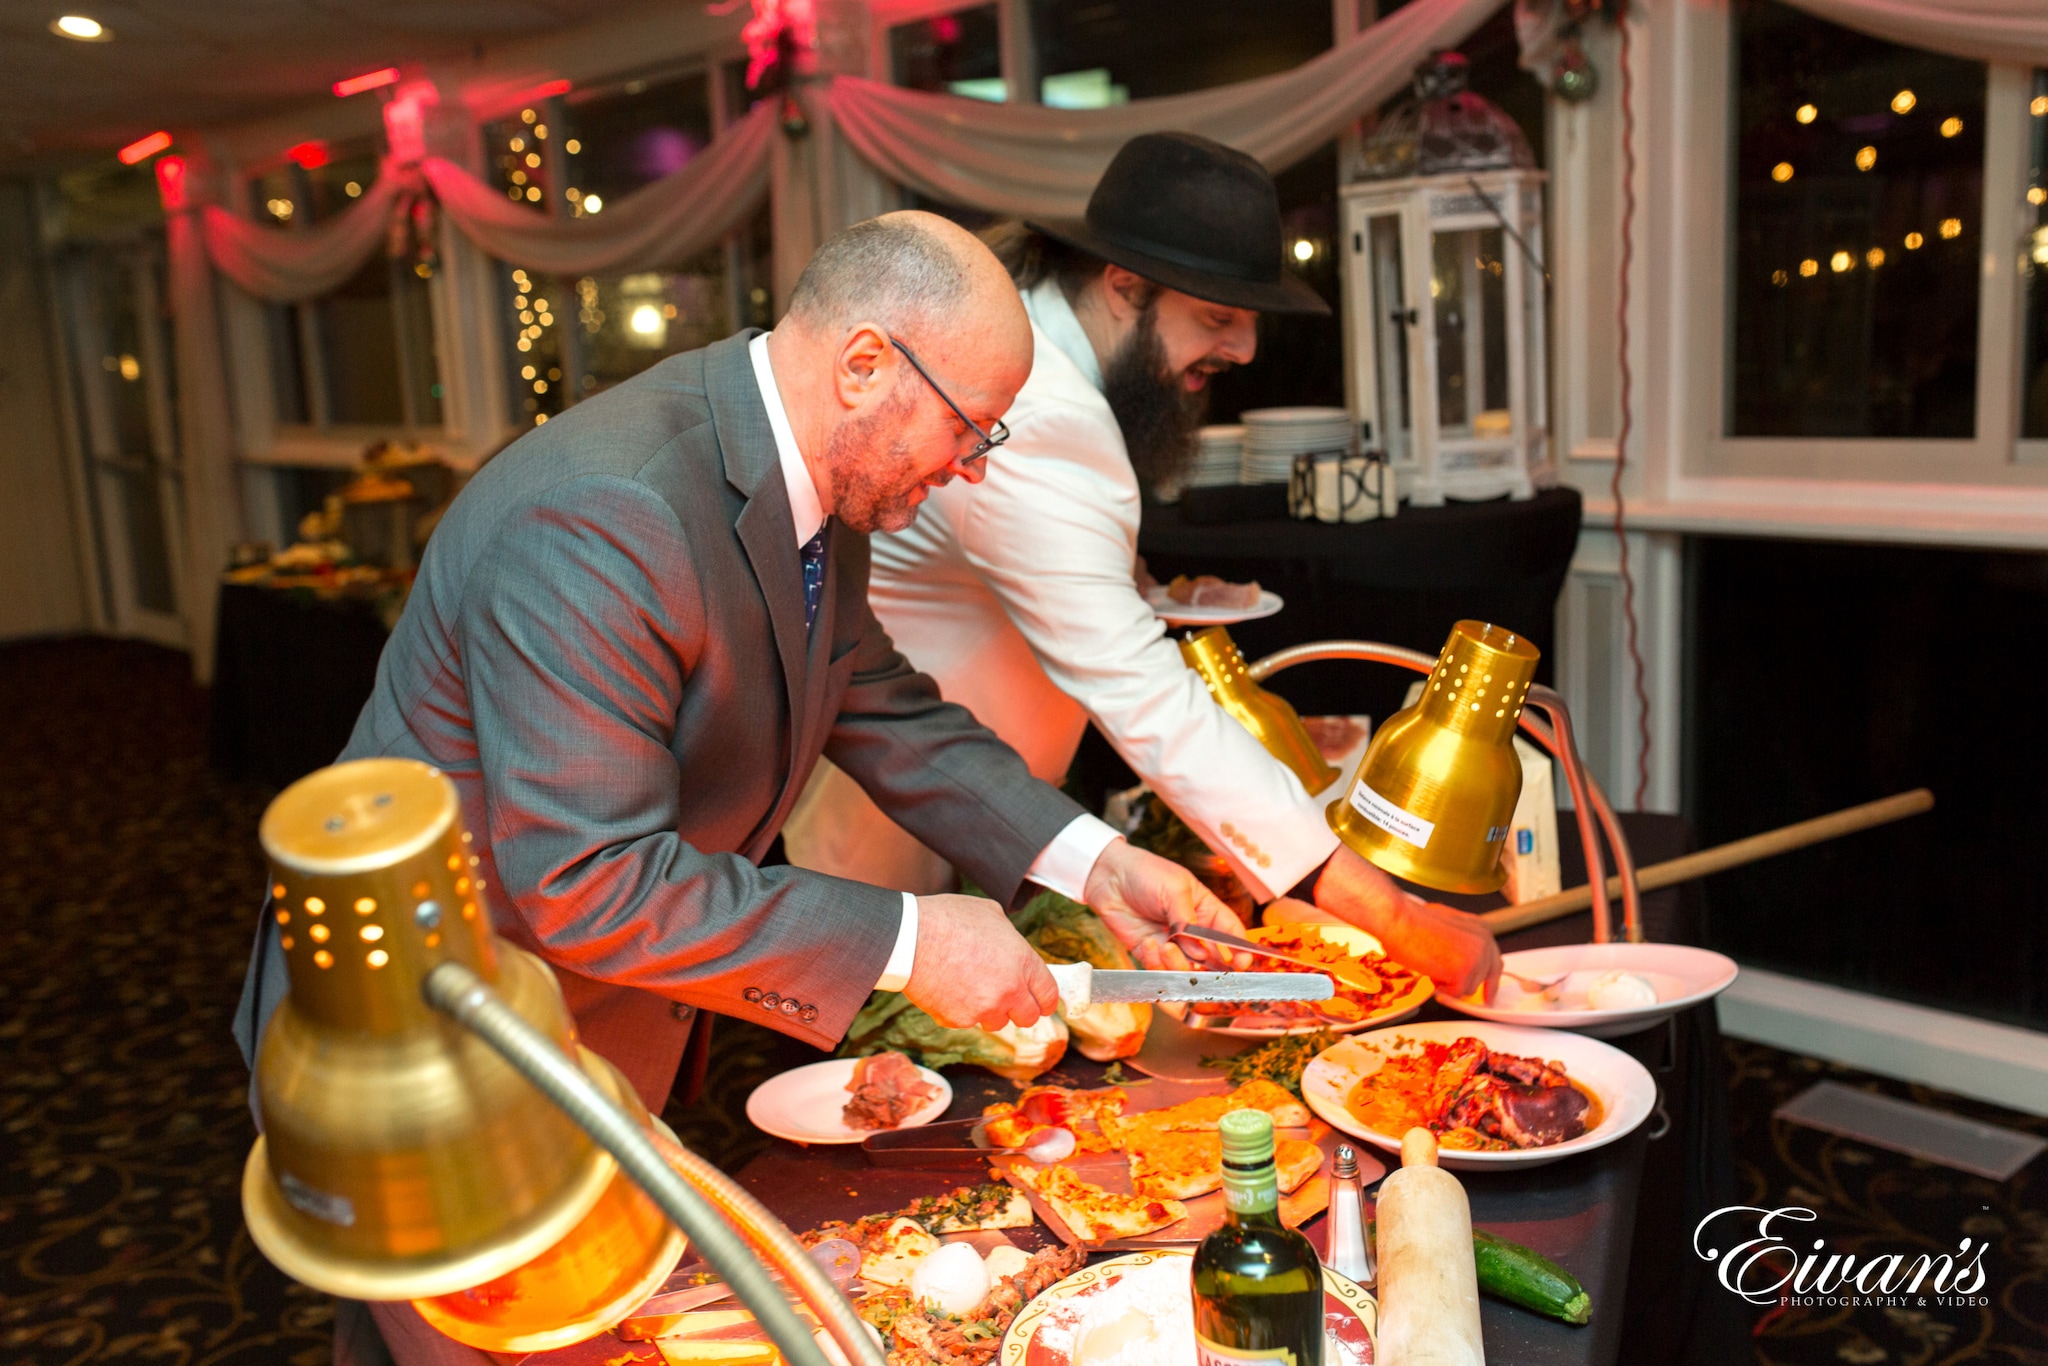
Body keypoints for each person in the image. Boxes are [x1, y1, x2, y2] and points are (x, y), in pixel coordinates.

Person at [233, 211, 1242, 1366]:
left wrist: (1093, 860)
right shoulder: (608, 511)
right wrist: (914, 940)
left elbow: (884, 706)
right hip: (435, 1049)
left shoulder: (818, 474)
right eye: (967, 428)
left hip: (581, 1020)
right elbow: (583, 877)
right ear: (863, 364)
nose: (969, 466)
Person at [784, 135, 1501, 998]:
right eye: (1216, 318)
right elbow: (1140, 688)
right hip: (897, 831)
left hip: (980, 810)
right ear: (1124, 288)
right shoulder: (1037, 406)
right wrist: (1396, 919)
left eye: (1248, 321)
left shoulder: (1043, 357)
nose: (1242, 351)